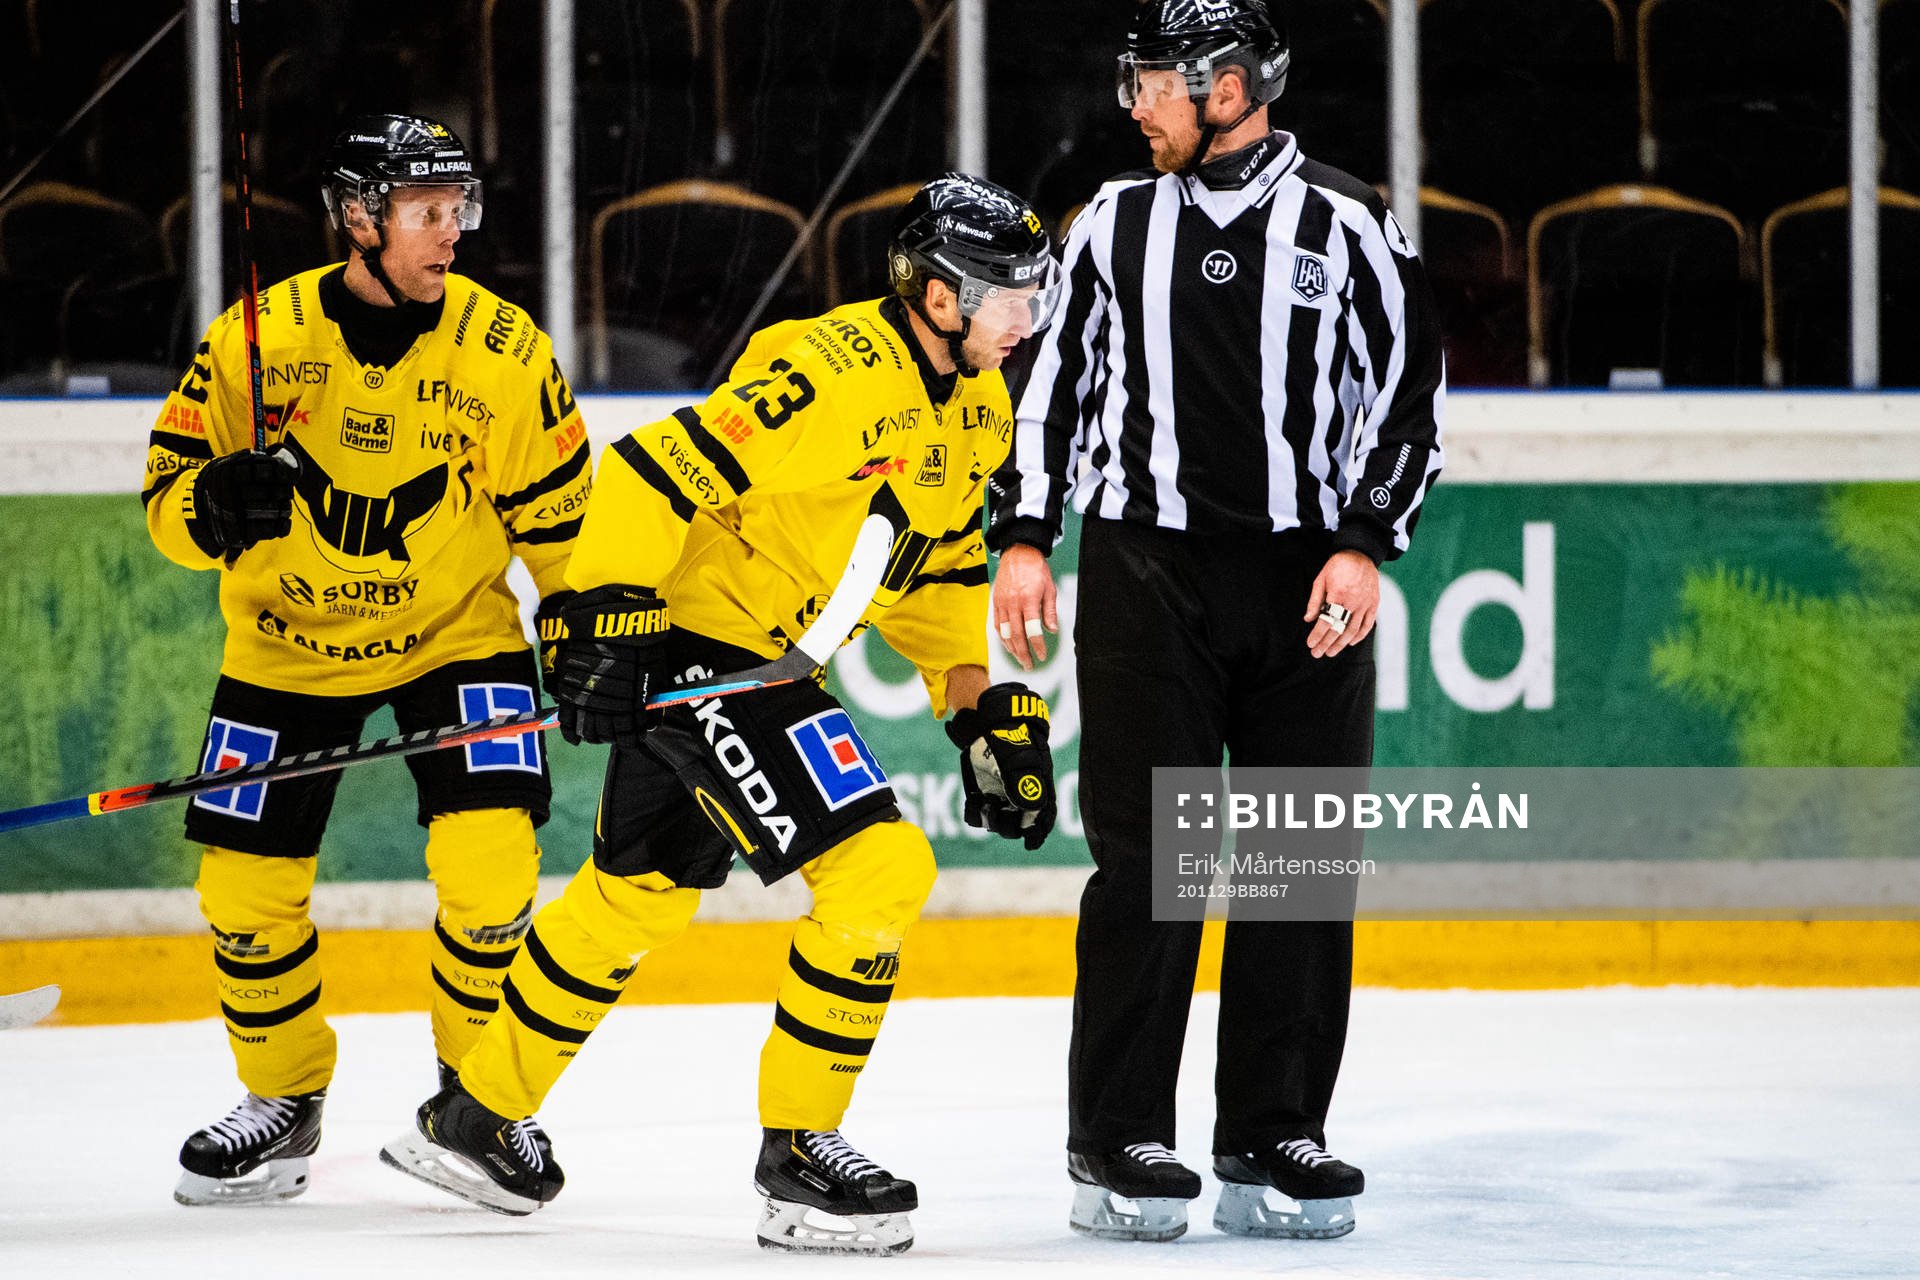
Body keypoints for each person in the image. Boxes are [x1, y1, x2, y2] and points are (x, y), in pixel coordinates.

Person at [379, 173, 1063, 1255]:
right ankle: (800, 1152)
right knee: (882, 869)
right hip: (710, 654)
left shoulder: (978, 402)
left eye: (1035, 293)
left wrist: (979, 708)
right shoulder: (829, 372)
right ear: (938, 296)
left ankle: (476, 1113)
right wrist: (600, 618)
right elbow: (654, 469)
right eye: (1008, 295)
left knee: (636, 896)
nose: (1028, 318)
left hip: (760, 663)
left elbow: (932, 569)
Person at [987, 0, 1446, 1243]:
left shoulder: (1350, 221)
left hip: (1309, 586)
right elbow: (1051, 389)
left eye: (1152, 84)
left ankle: (1273, 1129)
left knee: (1300, 867)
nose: (1131, 105)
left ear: (1229, 86)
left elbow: (1411, 401)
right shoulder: (1110, 224)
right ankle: (1119, 1134)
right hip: (1150, 577)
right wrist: (1026, 536)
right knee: (1150, 864)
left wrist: (1364, 545)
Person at [142, 113, 591, 1206]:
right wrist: (209, 505)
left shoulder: (504, 347)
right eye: (427, 213)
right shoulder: (260, 337)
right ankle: (284, 1100)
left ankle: (477, 1102)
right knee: (244, 892)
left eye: (459, 211)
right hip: (288, 642)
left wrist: (584, 624)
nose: (452, 234)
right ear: (358, 216)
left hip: (459, 632)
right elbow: (164, 500)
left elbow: (565, 526)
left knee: (492, 863)